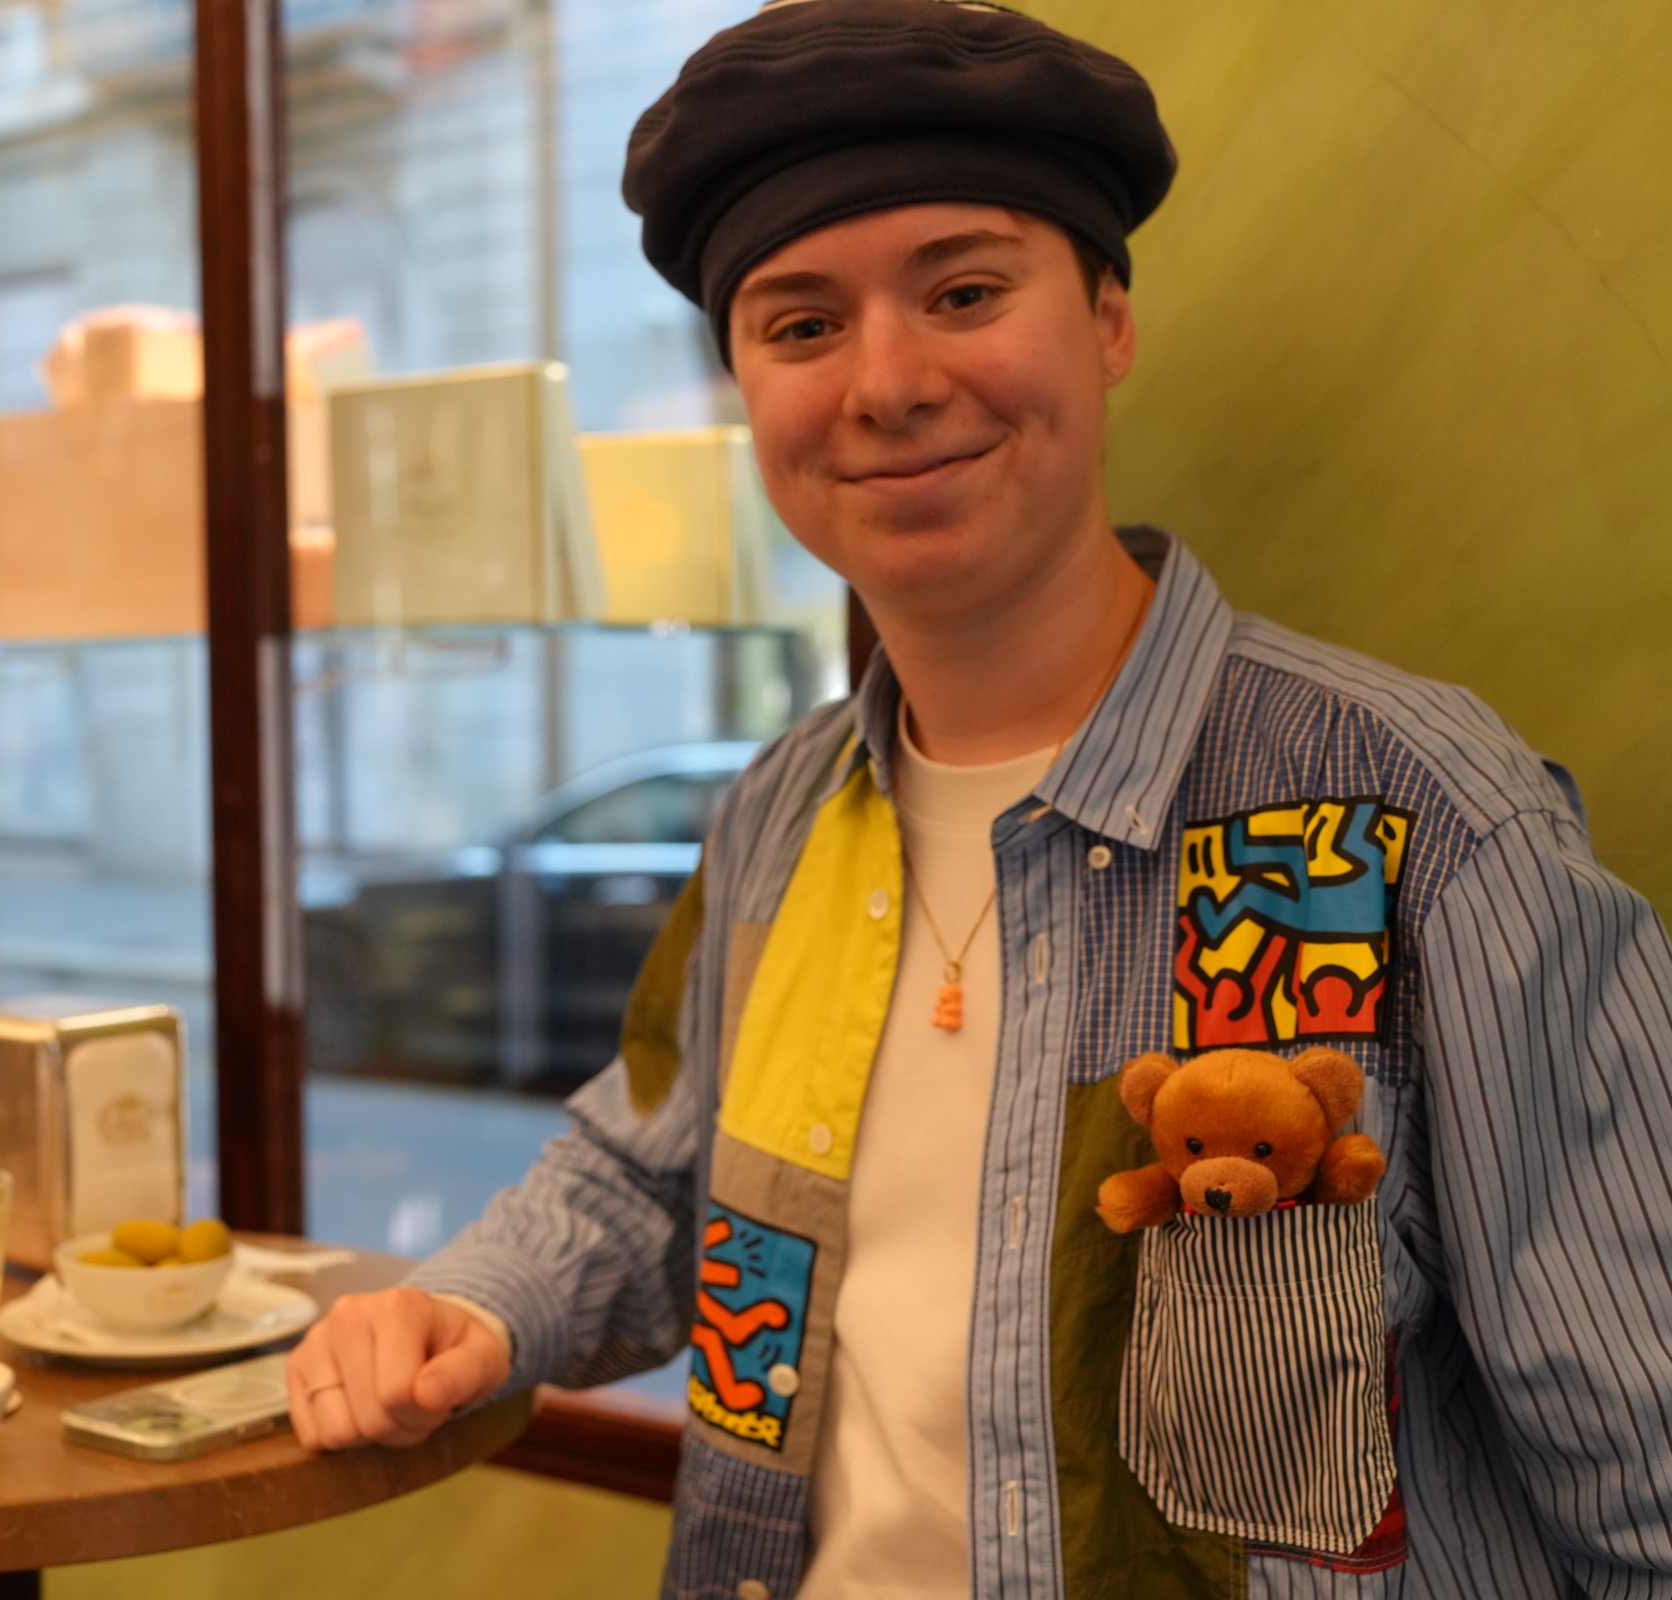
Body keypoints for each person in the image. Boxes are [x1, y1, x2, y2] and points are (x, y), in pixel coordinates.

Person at [281, 3, 1672, 1597]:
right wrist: (470, 1303)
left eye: (964, 292)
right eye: (801, 325)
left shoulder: (1415, 821)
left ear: (1108, 320)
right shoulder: (780, 819)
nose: (886, 384)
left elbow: (1645, 1470)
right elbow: (654, 1171)